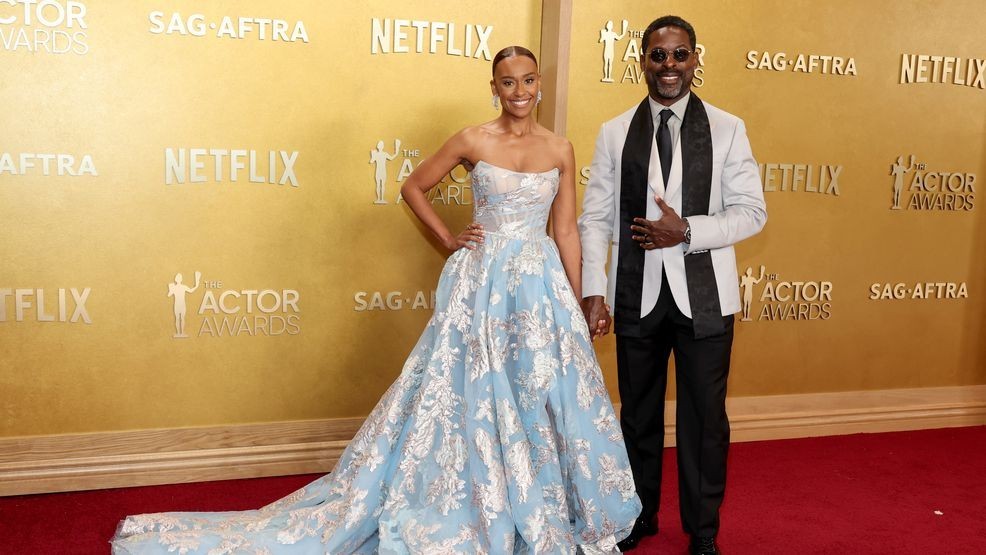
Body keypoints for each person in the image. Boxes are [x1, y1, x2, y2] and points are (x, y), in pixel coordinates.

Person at [111, 46, 641, 554]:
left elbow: (567, 230)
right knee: (474, 392)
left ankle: (537, 500)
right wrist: (450, 239)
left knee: (541, 392)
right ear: (494, 88)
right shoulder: (472, 139)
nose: (519, 91)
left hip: (539, 284)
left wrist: (574, 299)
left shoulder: (561, 148)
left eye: (527, 81)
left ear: (539, 85)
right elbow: (413, 186)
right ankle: (479, 504)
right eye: (508, 82)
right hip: (482, 284)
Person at [578, 16, 767, 555]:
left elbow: (752, 212)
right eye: (658, 56)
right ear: (642, 61)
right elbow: (595, 219)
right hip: (635, 292)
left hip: (704, 297)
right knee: (636, 415)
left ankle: (703, 531)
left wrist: (685, 230)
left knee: (704, 421)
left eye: (679, 55)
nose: (669, 67)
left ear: (694, 60)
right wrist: (595, 289)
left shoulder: (728, 128)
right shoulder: (615, 131)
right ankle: (638, 516)